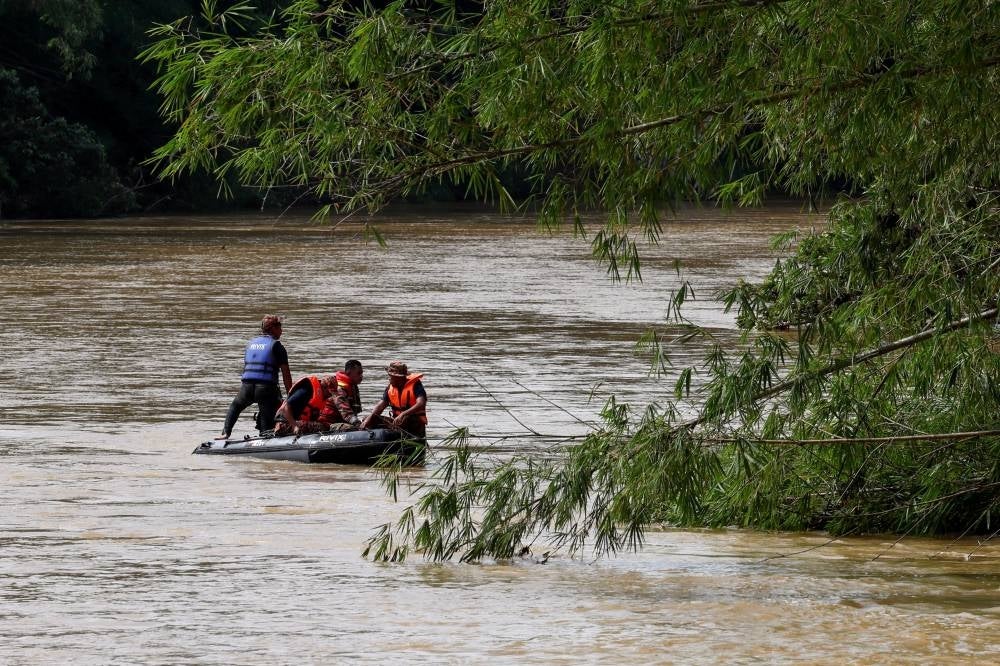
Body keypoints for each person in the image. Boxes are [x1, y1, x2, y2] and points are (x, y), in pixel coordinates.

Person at [218, 315, 292, 439]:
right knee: (267, 418)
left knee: (235, 406)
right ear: (273, 328)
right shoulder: (276, 346)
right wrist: (290, 394)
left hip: (247, 387)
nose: (282, 330)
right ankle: (265, 439)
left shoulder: (251, 344)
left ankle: (225, 433)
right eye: (280, 327)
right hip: (266, 388)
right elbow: (286, 375)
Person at [362, 361, 427, 438]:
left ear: (399, 377)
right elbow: (380, 406)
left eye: (391, 377)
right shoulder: (390, 388)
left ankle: (405, 438)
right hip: (397, 423)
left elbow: (421, 403)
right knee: (369, 419)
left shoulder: (416, 385)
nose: (389, 379)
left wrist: (403, 414)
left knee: (404, 419)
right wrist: (368, 419)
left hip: (414, 424)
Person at [273, 374, 338, 436]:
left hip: (298, 422)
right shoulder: (307, 388)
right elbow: (286, 407)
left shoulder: (321, 397)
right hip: (285, 424)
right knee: (322, 426)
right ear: (324, 387)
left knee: (325, 425)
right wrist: (294, 426)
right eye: (329, 393)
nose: (330, 396)